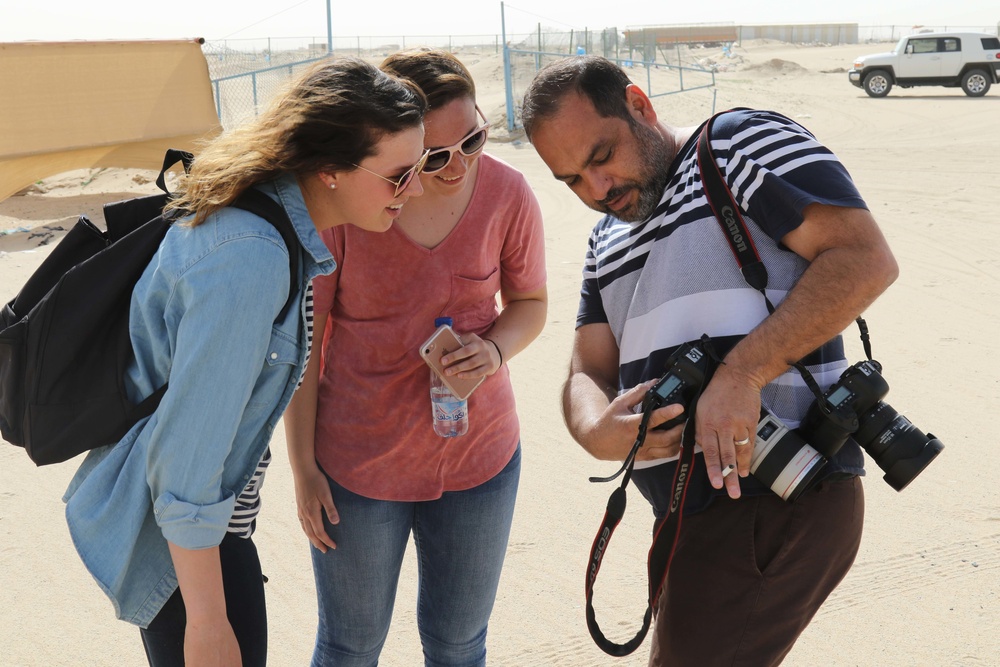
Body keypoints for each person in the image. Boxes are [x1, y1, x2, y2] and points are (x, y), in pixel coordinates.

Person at [521, 56, 899, 666]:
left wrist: (742, 373)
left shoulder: (734, 143)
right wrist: (595, 430)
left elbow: (864, 258)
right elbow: (586, 369)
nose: (597, 189)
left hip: (773, 497)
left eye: (600, 156)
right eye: (571, 180)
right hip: (683, 514)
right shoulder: (605, 237)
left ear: (639, 105)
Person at [61, 57, 429, 667]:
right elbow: (186, 464)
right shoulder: (250, 259)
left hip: (200, 538)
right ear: (329, 168)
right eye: (399, 174)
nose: (414, 189)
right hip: (188, 551)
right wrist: (207, 622)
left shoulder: (263, 222)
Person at [283, 48, 547, 666]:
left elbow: (531, 301)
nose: (456, 167)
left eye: (474, 140)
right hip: (358, 468)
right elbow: (308, 340)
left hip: (480, 461)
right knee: (350, 646)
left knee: (459, 646)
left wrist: (493, 349)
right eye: (432, 157)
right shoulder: (350, 208)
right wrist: (302, 466)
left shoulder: (508, 193)